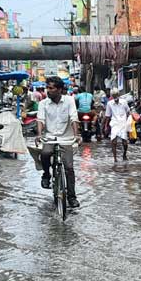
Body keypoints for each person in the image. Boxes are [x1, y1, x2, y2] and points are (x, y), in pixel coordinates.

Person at [37, 75, 81, 208]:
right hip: (49, 137)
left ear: (60, 90)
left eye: (51, 88)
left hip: (66, 138)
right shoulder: (43, 103)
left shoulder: (69, 101)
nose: (48, 91)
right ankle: (46, 175)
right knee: (45, 153)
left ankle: (72, 197)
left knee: (69, 167)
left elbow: (74, 118)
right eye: (47, 88)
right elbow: (40, 120)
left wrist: (76, 135)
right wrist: (39, 134)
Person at [104, 89, 131, 161]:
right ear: (112, 96)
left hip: (123, 123)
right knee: (114, 141)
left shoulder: (124, 102)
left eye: (116, 95)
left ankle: (124, 154)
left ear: (118, 95)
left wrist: (129, 122)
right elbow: (108, 115)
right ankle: (115, 158)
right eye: (113, 96)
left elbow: (128, 112)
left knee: (124, 142)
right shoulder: (109, 104)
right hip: (114, 123)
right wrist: (106, 126)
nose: (115, 97)